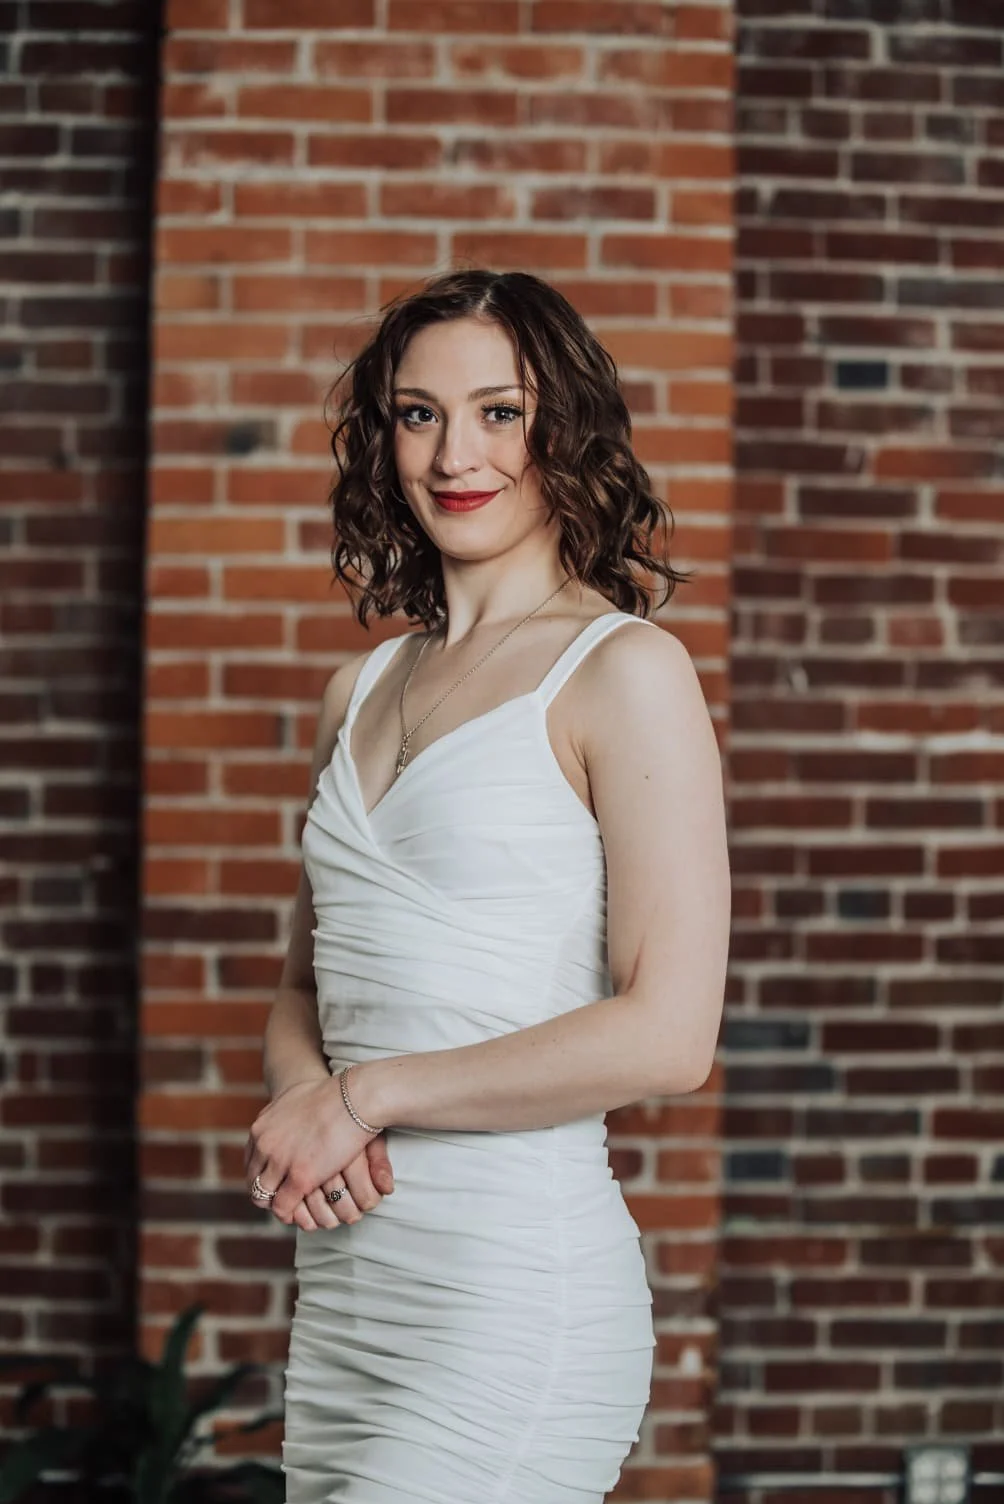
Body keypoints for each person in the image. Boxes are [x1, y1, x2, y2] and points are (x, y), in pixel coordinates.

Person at [244, 268, 731, 1503]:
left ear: (561, 427)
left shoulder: (624, 672)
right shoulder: (354, 692)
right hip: (353, 1297)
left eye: (498, 413)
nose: (454, 453)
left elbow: (669, 1034)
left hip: (515, 1298)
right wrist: (307, 1090)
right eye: (417, 414)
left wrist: (362, 1096)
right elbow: (309, 978)